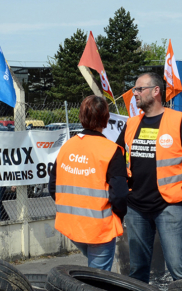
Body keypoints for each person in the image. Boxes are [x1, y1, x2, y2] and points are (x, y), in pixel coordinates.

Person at [116, 72, 182, 283]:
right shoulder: (131, 124)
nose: (134, 93)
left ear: (156, 91)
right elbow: (117, 158)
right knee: (137, 271)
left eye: (139, 89)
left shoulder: (179, 122)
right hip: (136, 207)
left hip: (169, 205)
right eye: (134, 89)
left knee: (178, 267)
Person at [49, 95, 127, 271]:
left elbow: (52, 187)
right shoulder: (111, 151)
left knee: (93, 274)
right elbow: (120, 195)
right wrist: (118, 217)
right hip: (100, 228)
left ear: (81, 117)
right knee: (98, 282)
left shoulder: (67, 146)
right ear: (106, 119)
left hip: (70, 225)